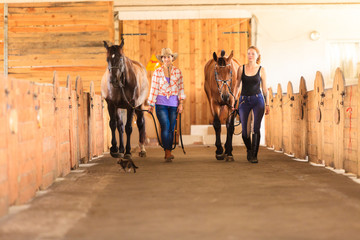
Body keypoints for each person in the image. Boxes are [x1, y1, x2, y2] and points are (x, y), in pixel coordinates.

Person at [148, 48, 186, 162]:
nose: (166, 59)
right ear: (162, 59)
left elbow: (181, 88)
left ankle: (168, 150)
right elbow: (153, 89)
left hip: (174, 104)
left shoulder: (178, 72)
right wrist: (151, 104)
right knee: (166, 125)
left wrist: (181, 103)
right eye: (164, 57)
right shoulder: (157, 72)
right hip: (161, 104)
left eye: (168, 57)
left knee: (171, 128)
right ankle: (167, 152)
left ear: (172, 58)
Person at [237, 46, 270, 163]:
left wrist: (267, 104)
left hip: (258, 100)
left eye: (252, 53)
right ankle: (249, 149)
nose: (250, 55)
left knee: (256, 128)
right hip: (244, 100)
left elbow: (265, 89)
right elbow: (237, 86)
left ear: (257, 55)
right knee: (245, 133)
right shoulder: (241, 68)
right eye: (248, 53)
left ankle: (254, 155)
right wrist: (235, 101)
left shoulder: (261, 69)